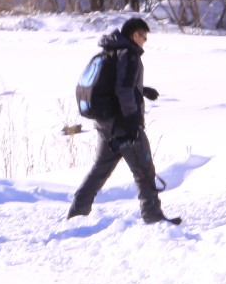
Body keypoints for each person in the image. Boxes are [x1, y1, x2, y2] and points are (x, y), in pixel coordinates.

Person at [67, 16, 180, 225]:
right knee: (144, 170)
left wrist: (142, 90)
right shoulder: (129, 54)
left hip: (105, 125)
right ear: (134, 35)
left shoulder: (111, 50)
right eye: (144, 37)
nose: (144, 42)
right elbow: (123, 89)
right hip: (123, 125)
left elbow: (118, 84)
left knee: (99, 171)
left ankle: (76, 214)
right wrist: (132, 122)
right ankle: (153, 217)